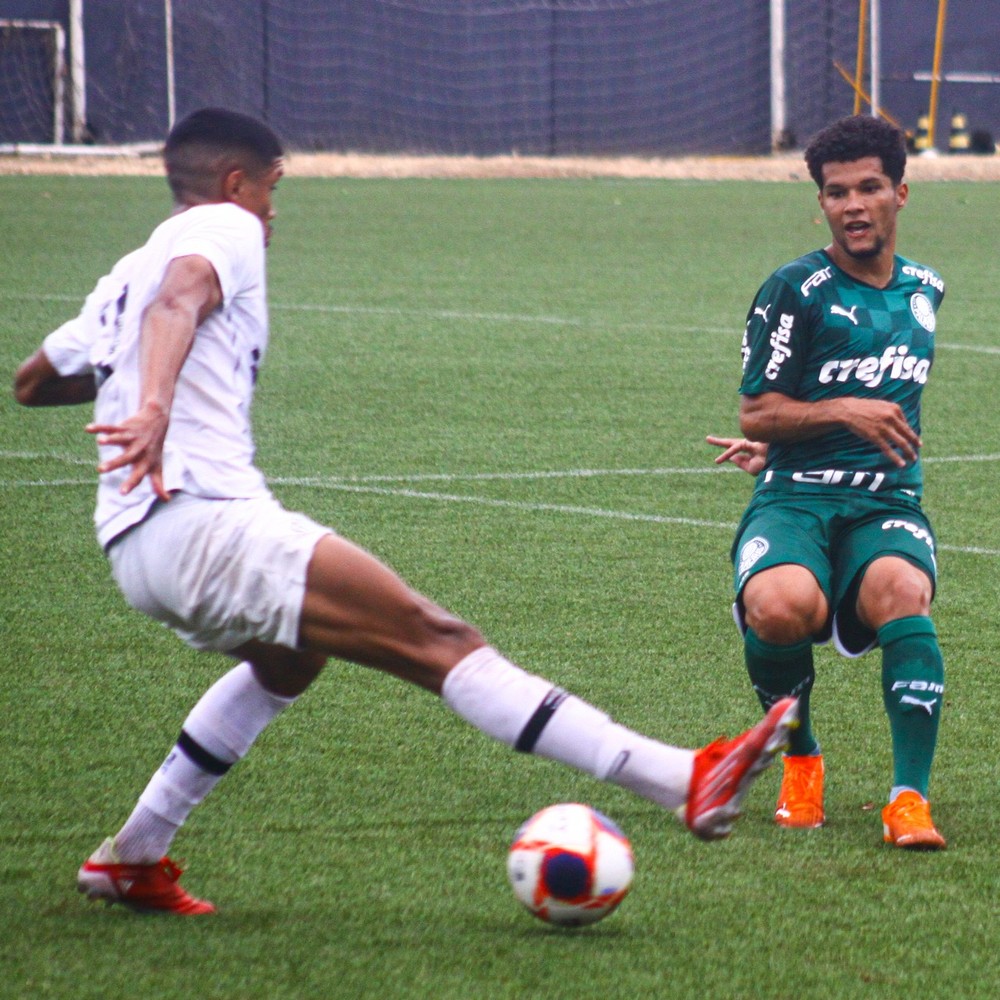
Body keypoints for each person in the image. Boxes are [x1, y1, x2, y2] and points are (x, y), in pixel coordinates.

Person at [14, 107, 797, 915]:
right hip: (206, 522)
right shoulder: (224, 224)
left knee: (287, 661)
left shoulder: (119, 279)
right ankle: (681, 779)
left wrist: (130, 382)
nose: (274, 212)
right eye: (273, 190)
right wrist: (150, 404)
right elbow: (180, 300)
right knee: (440, 641)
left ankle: (134, 855)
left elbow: (33, 382)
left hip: (138, 549)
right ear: (235, 182)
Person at [707, 114, 946, 850]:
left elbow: (883, 409)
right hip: (795, 498)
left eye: (869, 187)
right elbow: (757, 409)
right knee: (780, 608)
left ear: (899, 192)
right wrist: (828, 416)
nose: (853, 204)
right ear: (821, 204)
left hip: (886, 500)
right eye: (836, 192)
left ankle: (909, 798)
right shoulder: (794, 290)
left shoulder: (927, 291)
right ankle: (801, 760)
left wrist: (825, 428)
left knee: (903, 592)